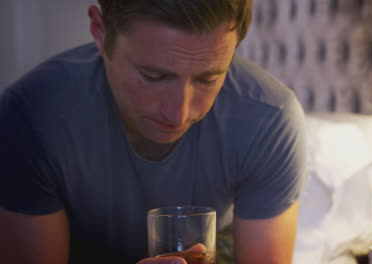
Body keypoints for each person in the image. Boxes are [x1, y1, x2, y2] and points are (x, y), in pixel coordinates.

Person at [0, 1, 307, 264]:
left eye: (208, 79)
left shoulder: (269, 119)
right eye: (154, 76)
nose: (179, 113)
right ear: (100, 31)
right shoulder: (32, 116)